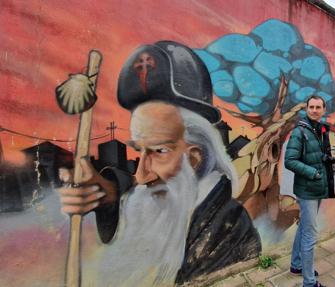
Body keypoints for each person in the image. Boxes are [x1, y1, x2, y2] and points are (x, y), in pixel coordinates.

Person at [57, 41, 261, 286]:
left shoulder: (229, 231)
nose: (141, 176)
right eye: (138, 151)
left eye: (159, 151)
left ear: (194, 158)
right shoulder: (156, 196)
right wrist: (107, 194)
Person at [284, 95, 335, 287]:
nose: (314, 110)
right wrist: (313, 172)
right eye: (311, 107)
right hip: (307, 191)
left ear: (323, 109)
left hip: (318, 188)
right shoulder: (300, 132)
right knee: (310, 235)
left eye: (318, 107)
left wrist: (324, 159)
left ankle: (297, 265)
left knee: (304, 227)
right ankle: (309, 282)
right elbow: (290, 161)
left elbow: (312, 155)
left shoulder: (319, 130)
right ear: (306, 109)